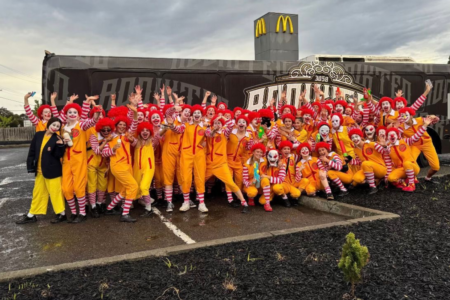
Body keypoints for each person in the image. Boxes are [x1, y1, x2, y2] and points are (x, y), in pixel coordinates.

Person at [17, 117, 67, 224]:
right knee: (38, 193)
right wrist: (30, 165)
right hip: (39, 171)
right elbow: (32, 151)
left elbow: (58, 155)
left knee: (55, 193)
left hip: (53, 171)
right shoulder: (38, 135)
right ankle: (31, 215)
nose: (55, 128)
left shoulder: (57, 138)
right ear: (49, 124)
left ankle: (62, 214)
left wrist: (61, 145)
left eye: (58, 126)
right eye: (54, 125)